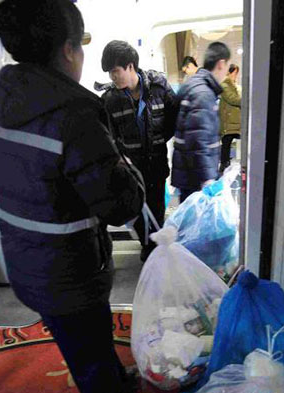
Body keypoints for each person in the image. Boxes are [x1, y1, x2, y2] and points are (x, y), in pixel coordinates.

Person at [0, 0, 148, 393]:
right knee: (88, 350)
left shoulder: (7, 99)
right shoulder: (74, 114)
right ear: (67, 50)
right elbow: (120, 205)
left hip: (28, 258)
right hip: (67, 269)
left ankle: (114, 382)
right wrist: (127, 167)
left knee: (83, 339)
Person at [100, 40, 177, 261]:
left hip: (156, 161)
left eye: (115, 71)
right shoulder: (110, 100)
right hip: (132, 168)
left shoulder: (159, 88)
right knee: (137, 210)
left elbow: (173, 119)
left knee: (157, 207)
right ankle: (146, 245)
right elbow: (110, 135)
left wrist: (158, 141)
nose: (112, 77)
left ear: (130, 66)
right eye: (109, 73)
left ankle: (156, 248)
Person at [171, 42, 230, 202]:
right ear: (221, 64)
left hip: (188, 174)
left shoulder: (194, 85)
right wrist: (207, 180)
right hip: (196, 180)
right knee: (195, 217)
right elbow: (198, 139)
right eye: (227, 67)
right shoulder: (203, 93)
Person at [219, 63, 241, 173]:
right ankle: (224, 166)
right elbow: (233, 99)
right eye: (235, 73)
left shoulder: (234, 85)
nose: (236, 75)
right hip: (228, 123)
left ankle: (225, 165)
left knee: (227, 145)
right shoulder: (224, 85)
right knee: (226, 145)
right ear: (229, 72)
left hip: (235, 122)